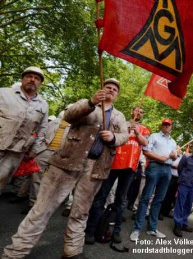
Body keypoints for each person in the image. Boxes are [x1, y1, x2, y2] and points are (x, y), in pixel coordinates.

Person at [1, 78, 128, 259]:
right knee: (42, 209)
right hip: (67, 162)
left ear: (117, 95)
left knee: (81, 212)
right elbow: (69, 116)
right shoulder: (87, 103)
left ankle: (72, 251)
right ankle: (15, 252)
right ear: (102, 89)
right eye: (108, 86)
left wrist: (114, 138)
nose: (111, 90)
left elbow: (124, 136)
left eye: (115, 89)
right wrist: (91, 102)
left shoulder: (119, 116)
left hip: (95, 169)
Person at [85, 106, 150, 244]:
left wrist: (137, 133)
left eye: (141, 112)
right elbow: (111, 137)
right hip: (113, 163)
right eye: (136, 111)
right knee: (101, 196)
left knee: (121, 200)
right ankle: (91, 230)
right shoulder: (121, 123)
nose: (138, 113)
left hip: (130, 167)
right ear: (131, 111)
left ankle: (116, 231)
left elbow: (145, 143)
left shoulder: (144, 129)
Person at [0, 66, 48, 194]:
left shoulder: (43, 104)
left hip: (17, 151)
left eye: (36, 78)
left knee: (1, 181)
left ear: (40, 83)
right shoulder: (3, 93)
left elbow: (42, 128)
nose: (32, 80)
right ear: (22, 79)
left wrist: (34, 149)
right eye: (29, 76)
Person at [130, 118, 178, 241]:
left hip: (167, 170)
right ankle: (137, 229)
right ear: (162, 125)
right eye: (165, 124)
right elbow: (146, 151)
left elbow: (173, 159)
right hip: (154, 167)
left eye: (169, 124)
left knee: (159, 200)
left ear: (171, 126)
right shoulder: (154, 136)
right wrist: (159, 158)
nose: (166, 126)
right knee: (146, 198)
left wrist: (174, 156)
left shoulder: (173, 142)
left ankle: (152, 228)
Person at [173, 142, 193, 237]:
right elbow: (180, 169)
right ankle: (177, 225)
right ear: (192, 148)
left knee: (188, 205)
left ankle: (184, 223)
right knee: (180, 203)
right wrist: (183, 178)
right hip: (184, 184)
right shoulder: (185, 157)